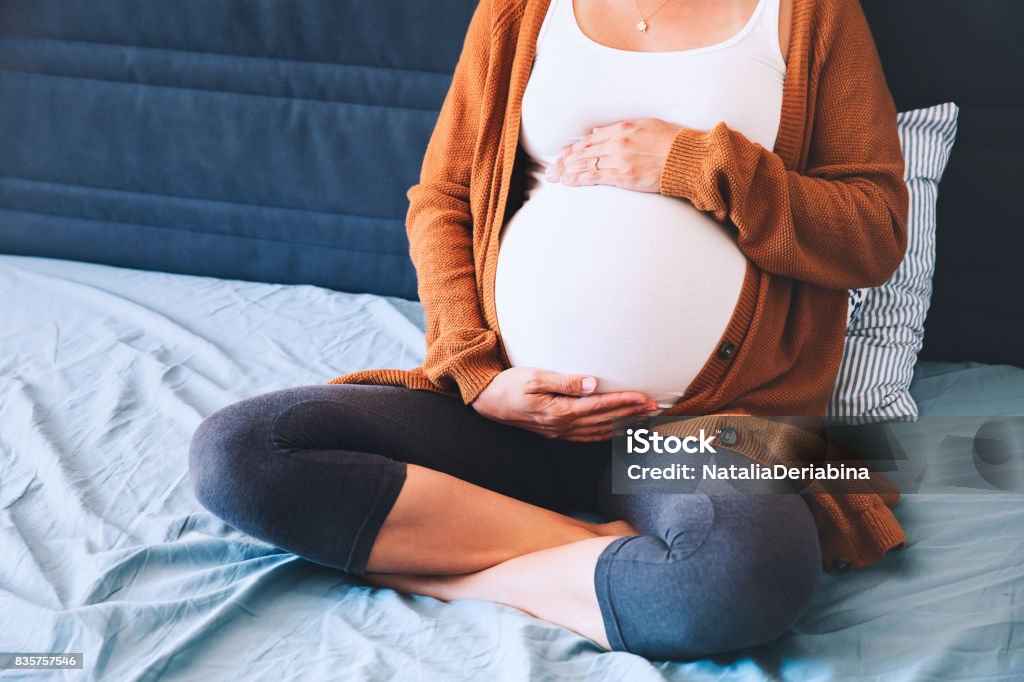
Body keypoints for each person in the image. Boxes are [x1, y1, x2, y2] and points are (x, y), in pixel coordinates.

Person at [189, 0, 909, 661]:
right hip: (508, 413)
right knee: (243, 453)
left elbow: (873, 233)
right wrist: (477, 376)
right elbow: (442, 201)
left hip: (705, 426)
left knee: (746, 576)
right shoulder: (521, 8)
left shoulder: (812, 14)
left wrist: (696, 163)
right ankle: (593, 549)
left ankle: (451, 568)